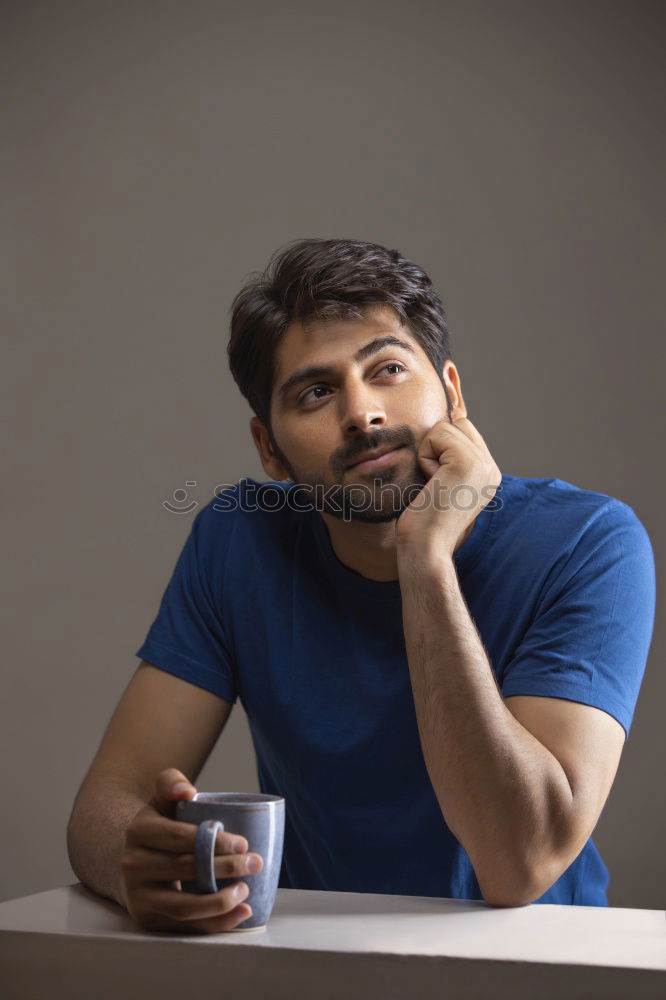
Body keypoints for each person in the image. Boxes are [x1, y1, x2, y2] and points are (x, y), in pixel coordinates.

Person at [67, 237, 655, 934]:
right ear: (269, 449)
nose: (363, 413)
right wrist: (131, 859)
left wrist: (425, 561)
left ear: (453, 394)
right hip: (317, 964)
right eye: (316, 392)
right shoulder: (237, 543)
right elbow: (108, 801)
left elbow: (518, 863)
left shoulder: (587, 542)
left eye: (389, 369)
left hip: (538, 965)